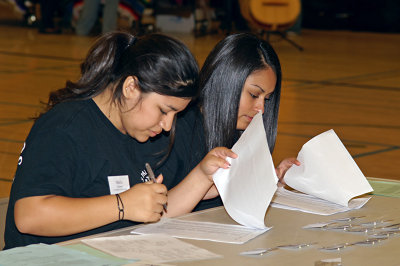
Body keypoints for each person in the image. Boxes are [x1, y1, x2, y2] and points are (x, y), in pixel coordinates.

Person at [4, 31, 236, 249]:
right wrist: (122, 205)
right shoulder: (64, 128)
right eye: (164, 111)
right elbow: (29, 216)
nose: (167, 126)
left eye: (176, 115)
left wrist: (203, 176)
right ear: (131, 87)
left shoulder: (140, 132)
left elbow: (153, 211)